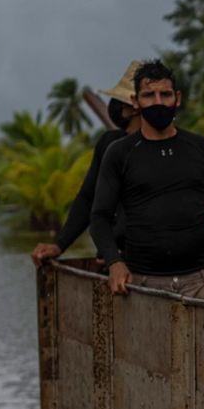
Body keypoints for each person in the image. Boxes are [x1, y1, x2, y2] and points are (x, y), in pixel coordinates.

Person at [89, 59, 204, 300]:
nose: (158, 102)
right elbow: (99, 216)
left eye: (165, 94)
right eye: (149, 95)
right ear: (135, 101)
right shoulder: (120, 153)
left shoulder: (199, 147)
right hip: (143, 285)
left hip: (201, 284)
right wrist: (114, 262)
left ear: (178, 98)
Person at [32, 61, 143, 267]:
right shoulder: (110, 144)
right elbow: (88, 198)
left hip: (151, 261)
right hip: (113, 260)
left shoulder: (171, 148)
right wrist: (60, 244)